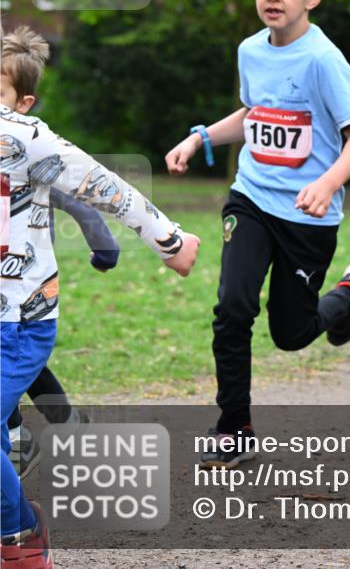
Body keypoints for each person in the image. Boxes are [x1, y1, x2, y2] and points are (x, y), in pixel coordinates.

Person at [164, 0, 350, 469]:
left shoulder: (324, 60)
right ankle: (235, 428)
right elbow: (253, 114)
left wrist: (327, 184)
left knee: (291, 334)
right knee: (232, 307)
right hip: (252, 199)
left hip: (308, 216)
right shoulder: (250, 50)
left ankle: (349, 294)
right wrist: (201, 137)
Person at [1, 42, 200, 569]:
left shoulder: (22, 139)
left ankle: (20, 534)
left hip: (19, 320)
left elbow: (101, 185)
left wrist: (169, 239)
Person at [1, 26, 120, 479]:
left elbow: (82, 203)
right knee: (20, 363)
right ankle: (62, 425)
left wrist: (105, 250)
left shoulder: (34, 155)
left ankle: (21, 440)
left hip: (27, 285)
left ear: (24, 104)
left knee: (15, 359)